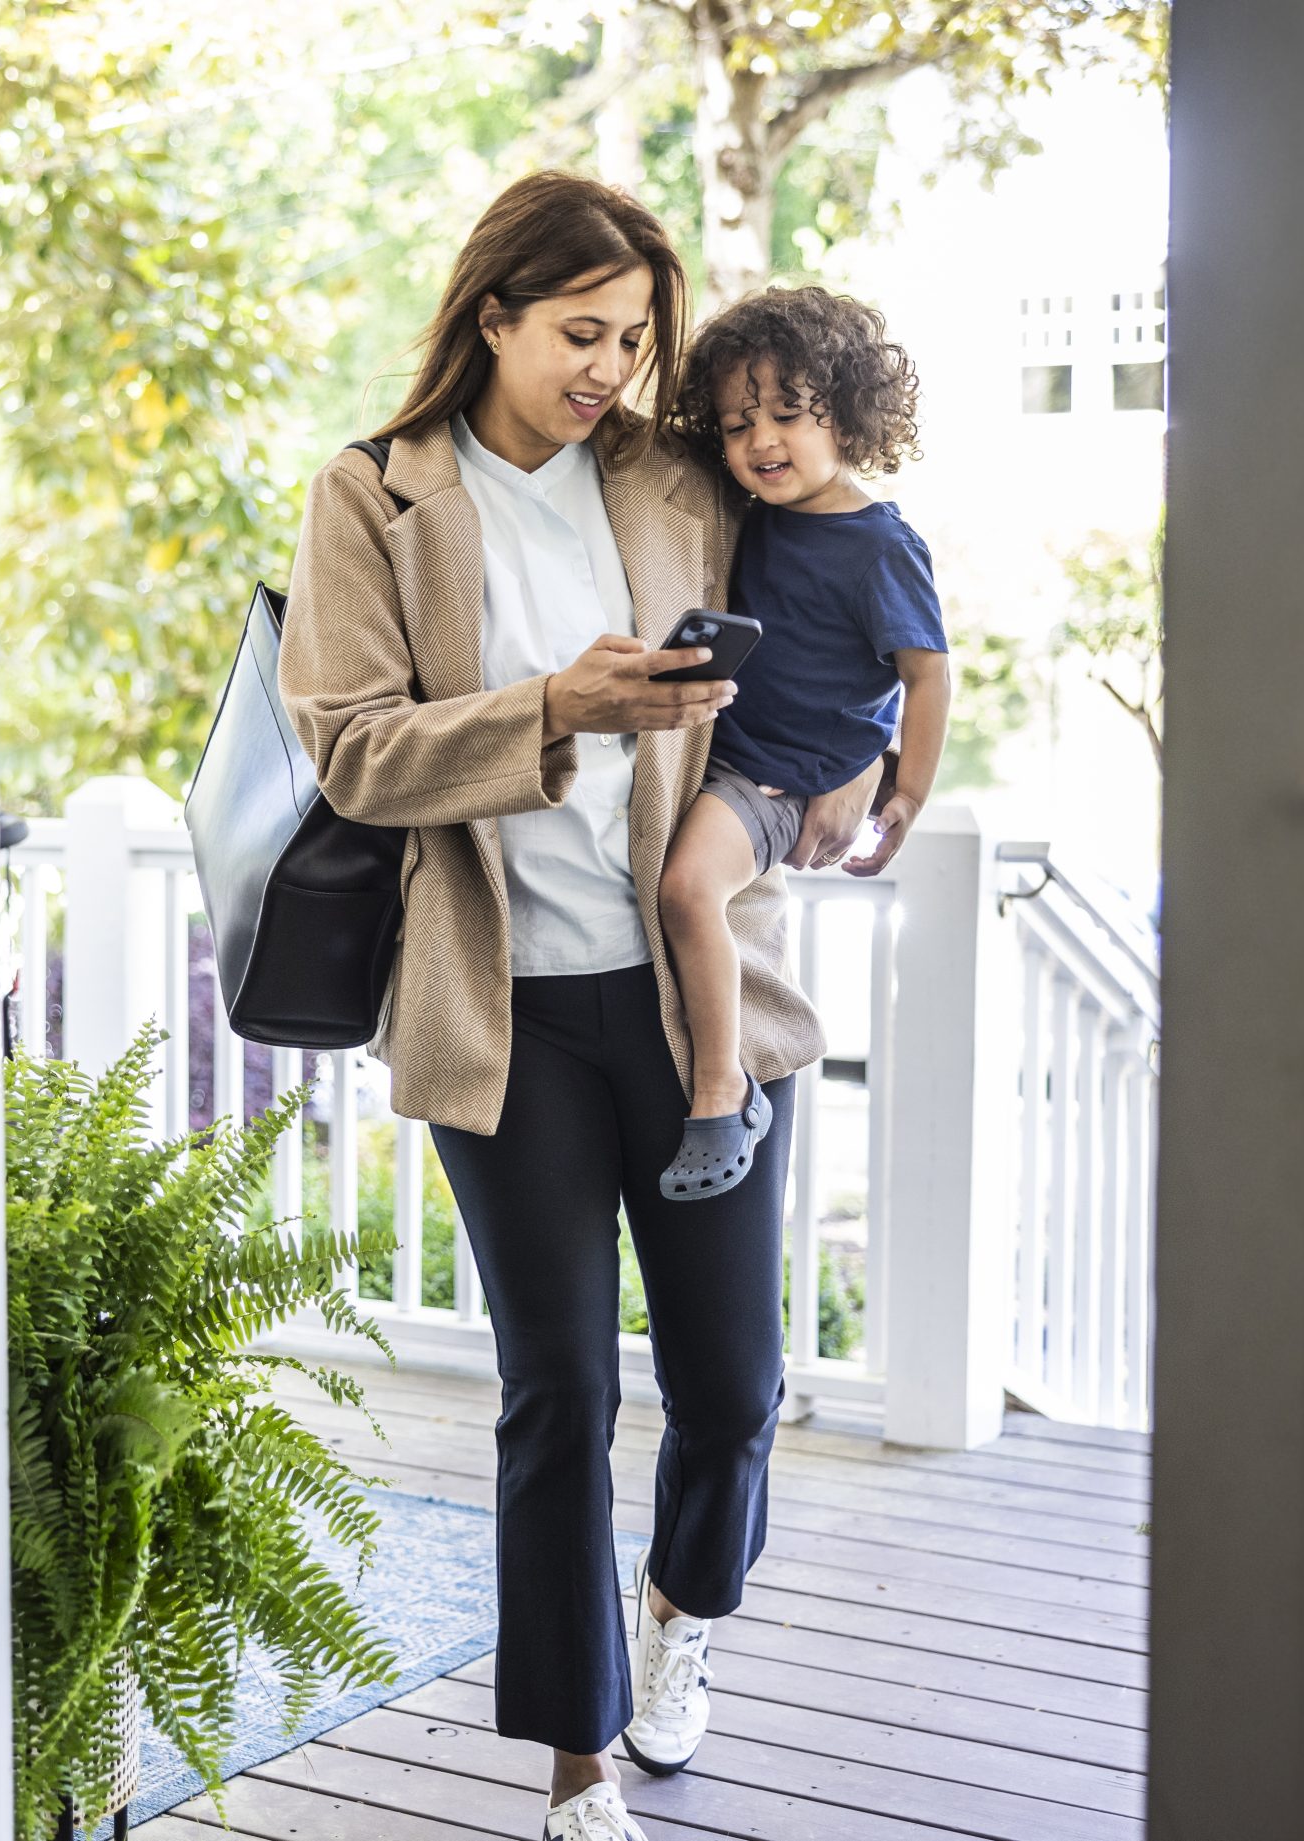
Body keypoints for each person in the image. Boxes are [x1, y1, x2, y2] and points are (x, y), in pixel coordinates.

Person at [276, 172, 884, 1841]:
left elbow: (846, 580)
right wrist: (554, 704)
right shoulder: (373, 496)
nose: (612, 365)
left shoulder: (679, 474)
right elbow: (351, 747)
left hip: (689, 1000)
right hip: (508, 1011)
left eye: (634, 337)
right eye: (579, 332)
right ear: (491, 314)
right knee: (559, 1391)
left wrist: (872, 750)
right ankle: (576, 1759)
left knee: (736, 1383)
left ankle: (688, 1617)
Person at [651, 287, 953, 1203]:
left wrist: (905, 791)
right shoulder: (756, 516)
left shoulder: (880, 546)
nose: (761, 441)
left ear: (851, 414)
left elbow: (928, 673)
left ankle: (721, 1088)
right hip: (725, 753)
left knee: (687, 886)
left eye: (788, 414)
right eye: (740, 424)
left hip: (779, 781)